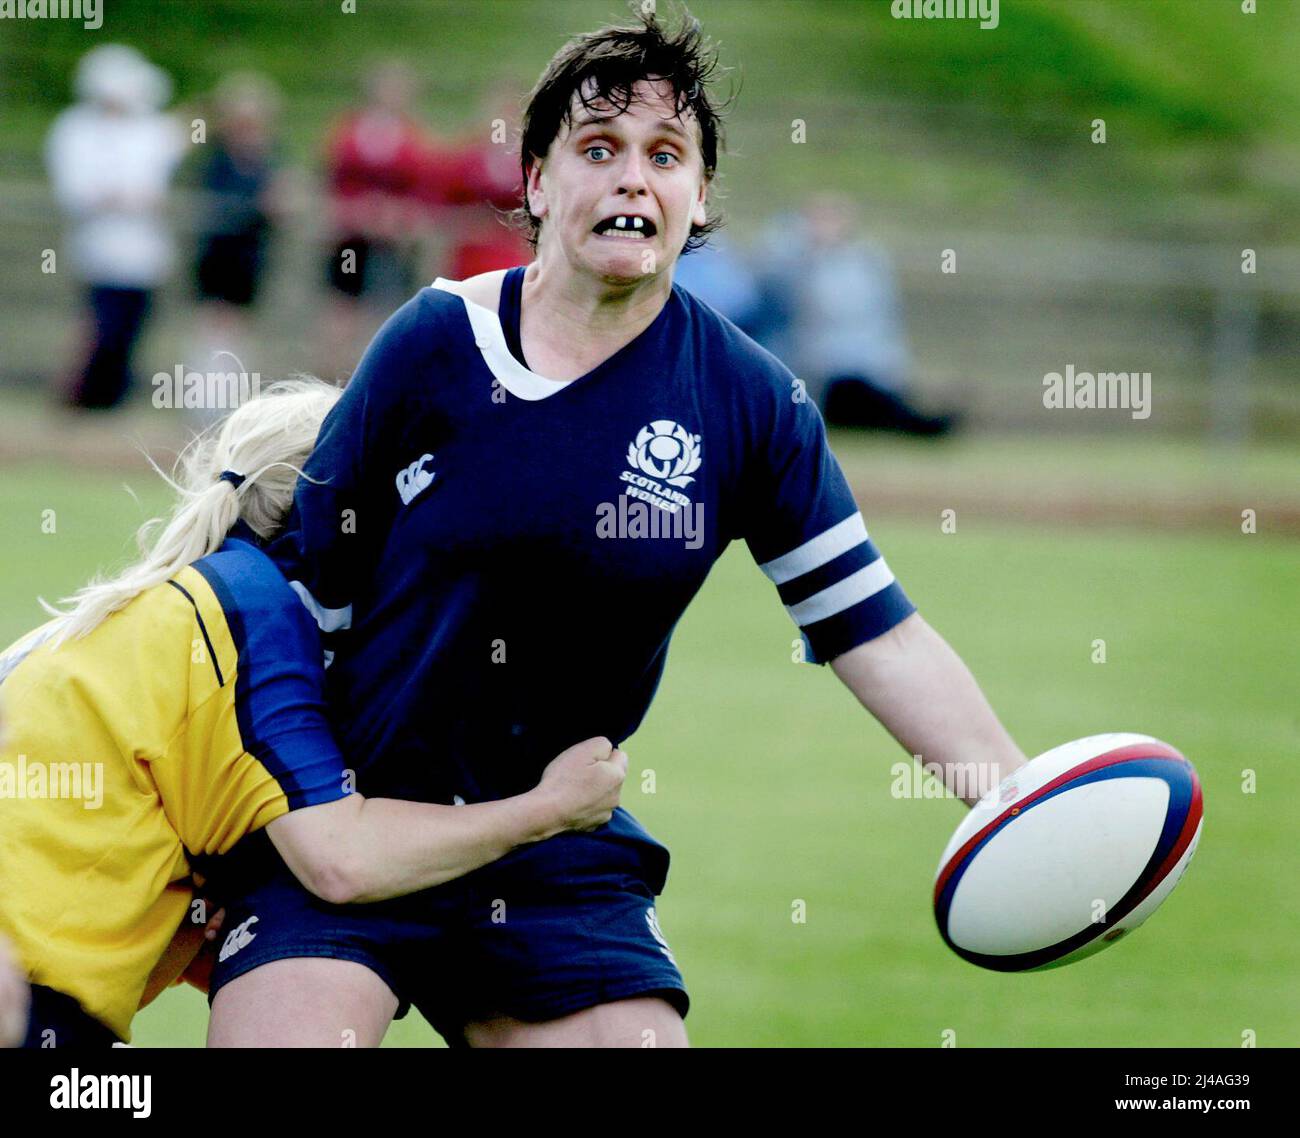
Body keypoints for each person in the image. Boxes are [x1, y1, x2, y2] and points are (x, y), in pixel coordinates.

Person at [207, 7, 1026, 1049]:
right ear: (539, 184)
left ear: (698, 195)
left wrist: (1013, 798)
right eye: (598, 149)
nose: (633, 177)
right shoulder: (434, 345)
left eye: (664, 154)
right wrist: (292, 816)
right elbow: (296, 594)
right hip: (351, 806)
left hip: (552, 832)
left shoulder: (750, 402)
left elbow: (877, 627)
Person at [0, 379, 626, 1047]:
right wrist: (548, 809)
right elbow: (340, 859)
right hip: (28, 1004)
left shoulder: (148, 609)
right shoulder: (252, 608)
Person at [45, 45, 185, 409]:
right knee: (99, 323)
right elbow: (77, 191)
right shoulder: (77, 130)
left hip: (143, 250)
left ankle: (111, 398)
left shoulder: (147, 129)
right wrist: (121, 197)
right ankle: (78, 395)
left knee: (131, 325)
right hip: (99, 248)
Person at [754, 194, 962, 435]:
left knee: (873, 396)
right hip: (820, 375)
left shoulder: (864, 263)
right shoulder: (787, 265)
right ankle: (921, 424)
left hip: (864, 370)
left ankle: (918, 421)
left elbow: (881, 325)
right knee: (861, 397)